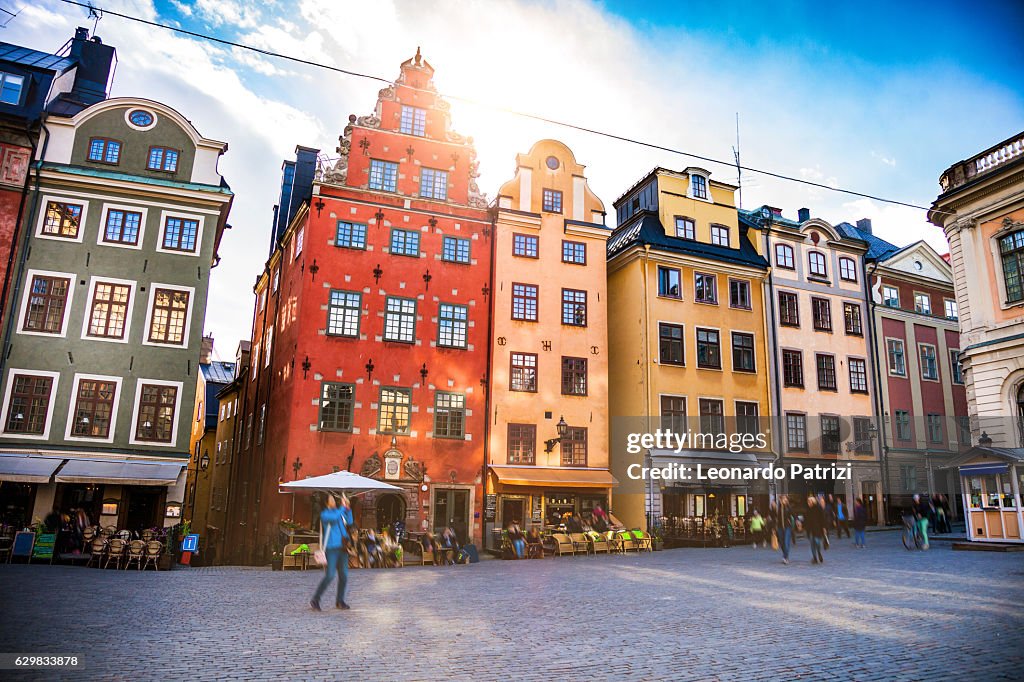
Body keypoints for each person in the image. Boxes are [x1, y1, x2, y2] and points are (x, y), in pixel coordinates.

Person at [311, 494, 354, 611]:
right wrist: (342, 507)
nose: (334, 501)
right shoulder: (325, 514)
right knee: (330, 575)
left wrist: (348, 508)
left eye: (334, 499)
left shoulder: (339, 512)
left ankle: (340, 601)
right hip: (332, 548)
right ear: (326, 503)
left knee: (344, 576)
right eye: (331, 499)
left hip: (343, 548)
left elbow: (350, 521)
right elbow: (334, 518)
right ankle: (316, 599)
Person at [805, 496, 825, 564]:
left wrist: (824, 528)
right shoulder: (807, 510)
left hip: (817, 529)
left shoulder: (818, 508)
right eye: (808, 502)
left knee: (817, 542)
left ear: (813, 501)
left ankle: (819, 553)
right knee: (812, 544)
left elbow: (822, 519)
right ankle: (814, 557)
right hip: (810, 530)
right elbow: (806, 520)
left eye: (809, 501)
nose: (808, 503)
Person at [776, 498, 794, 564]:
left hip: (787, 527)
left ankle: (785, 557)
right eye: (782, 500)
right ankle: (785, 555)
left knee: (786, 543)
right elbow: (777, 518)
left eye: (785, 500)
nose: (783, 501)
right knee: (782, 543)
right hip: (780, 527)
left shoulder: (788, 508)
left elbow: (793, 515)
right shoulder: (779, 508)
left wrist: (797, 521)